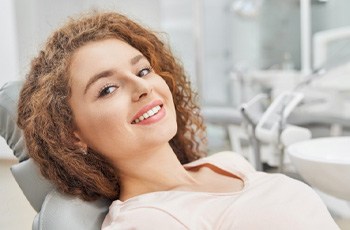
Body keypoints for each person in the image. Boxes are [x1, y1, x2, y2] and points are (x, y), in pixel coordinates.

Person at [17, 11, 339, 229]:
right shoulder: (145, 221)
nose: (143, 87)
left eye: (143, 70)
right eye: (108, 89)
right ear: (73, 135)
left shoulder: (228, 163)